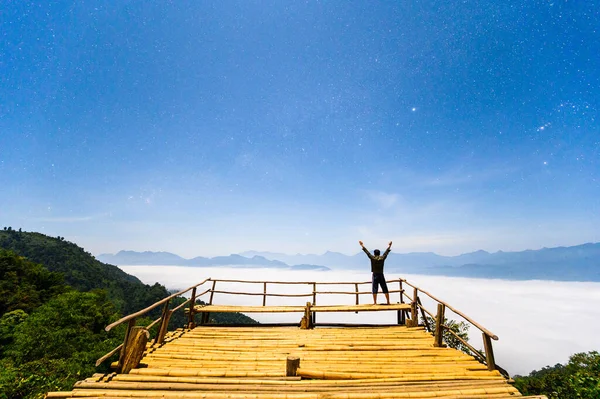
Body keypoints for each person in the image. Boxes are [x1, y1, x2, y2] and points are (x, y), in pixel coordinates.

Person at [359, 240, 392, 305]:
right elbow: (386, 253)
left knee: (374, 288)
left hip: (375, 275)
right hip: (381, 274)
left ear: (374, 253)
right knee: (384, 287)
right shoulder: (382, 258)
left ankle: (375, 302)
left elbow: (367, 253)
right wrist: (389, 246)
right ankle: (388, 301)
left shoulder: (372, 258)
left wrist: (362, 245)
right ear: (379, 253)